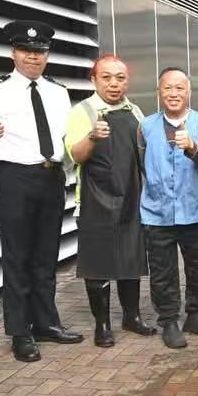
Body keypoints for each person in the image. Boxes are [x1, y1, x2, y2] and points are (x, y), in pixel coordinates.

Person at [0, 20, 83, 362]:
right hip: (14, 178)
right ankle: (20, 332)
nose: (33, 57)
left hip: (51, 177)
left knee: (47, 254)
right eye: (26, 51)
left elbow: (65, 141)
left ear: (47, 55)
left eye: (40, 51)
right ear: (13, 53)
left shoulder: (58, 92)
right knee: (17, 257)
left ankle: (46, 322)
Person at [64, 55, 155, 347]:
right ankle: (102, 325)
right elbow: (76, 155)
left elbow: (144, 153)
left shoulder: (134, 111)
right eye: (106, 77)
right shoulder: (82, 111)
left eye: (120, 77)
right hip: (96, 198)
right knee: (98, 262)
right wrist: (92, 137)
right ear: (94, 80)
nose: (114, 84)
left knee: (130, 257)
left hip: (131, 195)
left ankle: (132, 316)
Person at [138, 67, 198, 349]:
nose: (173, 93)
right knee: (162, 272)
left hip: (194, 211)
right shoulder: (145, 126)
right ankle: (169, 321)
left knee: (197, 268)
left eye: (179, 88)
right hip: (156, 212)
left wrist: (191, 148)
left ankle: (195, 316)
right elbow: (142, 163)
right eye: (167, 88)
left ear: (189, 91)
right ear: (158, 92)